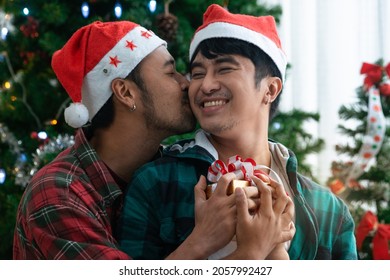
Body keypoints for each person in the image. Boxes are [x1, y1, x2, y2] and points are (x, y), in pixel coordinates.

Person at [117, 4, 357, 260]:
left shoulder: (329, 212)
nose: (205, 85)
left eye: (224, 69)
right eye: (197, 73)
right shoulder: (157, 182)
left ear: (271, 89)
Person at [13, 20, 197, 259]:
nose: (185, 83)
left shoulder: (173, 170)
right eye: (170, 72)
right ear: (125, 92)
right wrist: (205, 243)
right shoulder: (59, 194)